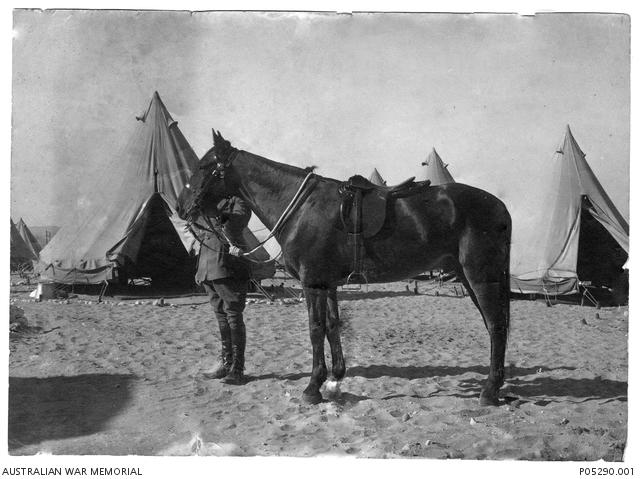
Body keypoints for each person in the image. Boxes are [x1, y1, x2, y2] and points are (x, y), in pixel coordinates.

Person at [195, 195, 252, 385]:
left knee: (233, 314)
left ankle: (237, 368)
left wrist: (214, 212)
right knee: (220, 314)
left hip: (227, 264)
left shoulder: (238, 200)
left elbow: (235, 223)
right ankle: (226, 363)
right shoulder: (206, 201)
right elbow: (198, 229)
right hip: (207, 265)